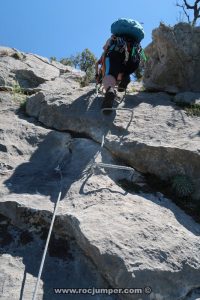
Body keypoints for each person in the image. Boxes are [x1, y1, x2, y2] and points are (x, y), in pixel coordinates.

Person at [96, 34, 140, 114]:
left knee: (109, 75)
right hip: (131, 57)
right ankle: (124, 78)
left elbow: (104, 48)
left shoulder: (113, 38)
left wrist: (97, 75)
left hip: (114, 54)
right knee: (121, 72)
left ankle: (110, 90)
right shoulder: (132, 41)